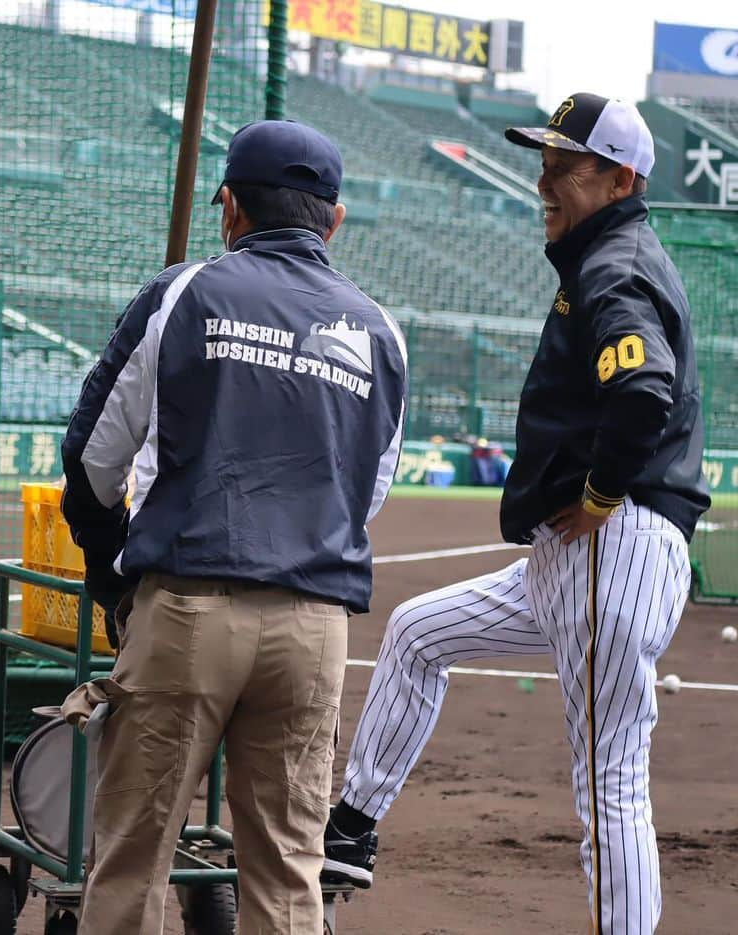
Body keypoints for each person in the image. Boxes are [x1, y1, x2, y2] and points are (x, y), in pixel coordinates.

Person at [321, 93, 710, 935]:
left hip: (617, 545)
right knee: (420, 631)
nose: (545, 178)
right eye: (543, 160)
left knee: (611, 781)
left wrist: (603, 493)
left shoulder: (616, 265)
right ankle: (350, 827)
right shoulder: (601, 257)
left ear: (619, 178)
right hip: (570, 562)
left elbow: (643, 391)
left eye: (565, 165)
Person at [60, 120, 408, 934]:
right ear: (335, 218)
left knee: (131, 859)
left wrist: (114, 580)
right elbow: (367, 495)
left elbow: (91, 462)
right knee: (288, 875)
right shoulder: (381, 331)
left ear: (230, 209)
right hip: (314, 627)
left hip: (186, 607)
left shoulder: (186, 291)